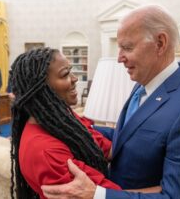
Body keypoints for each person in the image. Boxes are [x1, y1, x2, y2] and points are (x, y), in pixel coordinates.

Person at [41, 5, 180, 199]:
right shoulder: (141, 86)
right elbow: (128, 136)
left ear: (160, 43)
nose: (120, 58)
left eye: (127, 47)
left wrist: (98, 195)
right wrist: (71, 125)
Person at [9, 48, 121, 199]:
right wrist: (163, 193)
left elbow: (106, 148)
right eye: (65, 74)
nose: (74, 79)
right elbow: (113, 195)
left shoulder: (62, 119)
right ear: (43, 90)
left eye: (70, 71)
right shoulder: (45, 152)